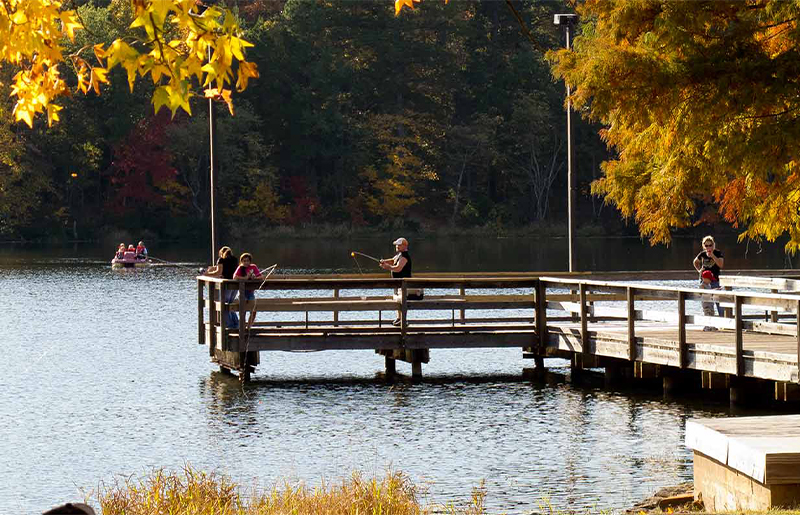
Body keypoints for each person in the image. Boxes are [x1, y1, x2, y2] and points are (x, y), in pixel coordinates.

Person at [380, 237, 420, 326]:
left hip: (404, 284)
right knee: (398, 300)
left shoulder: (405, 256)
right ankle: (399, 318)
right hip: (397, 283)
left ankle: (404, 320)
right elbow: (392, 260)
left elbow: (398, 268)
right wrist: (384, 262)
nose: (397, 246)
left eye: (399, 245)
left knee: (402, 301)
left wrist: (387, 267)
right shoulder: (399, 255)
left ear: (405, 246)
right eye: (396, 245)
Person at [206, 246, 240, 329]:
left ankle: (230, 325)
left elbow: (218, 272)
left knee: (224, 305)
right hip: (235, 284)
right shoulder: (235, 259)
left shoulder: (221, 260)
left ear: (221, 253)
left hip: (226, 284)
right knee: (230, 304)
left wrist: (206, 274)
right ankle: (236, 324)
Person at [693, 235, 725, 321]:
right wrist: (699, 270)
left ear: (713, 245)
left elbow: (721, 265)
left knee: (719, 302)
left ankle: (724, 321)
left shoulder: (718, 253)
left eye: (710, 245)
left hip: (715, 280)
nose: (708, 247)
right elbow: (695, 262)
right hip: (705, 282)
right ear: (704, 246)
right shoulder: (702, 254)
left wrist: (713, 256)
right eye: (706, 245)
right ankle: (709, 321)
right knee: (706, 302)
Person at [234, 252, 265, 329]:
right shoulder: (240, 268)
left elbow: (261, 277)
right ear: (241, 262)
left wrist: (254, 278)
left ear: (250, 261)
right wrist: (246, 278)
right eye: (244, 261)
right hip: (242, 292)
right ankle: (242, 327)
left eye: (247, 261)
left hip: (251, 292)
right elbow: (235, 277)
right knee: (243, 311)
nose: (246, 262)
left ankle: (249, 327)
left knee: (253, 311)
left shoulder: (253, 267)